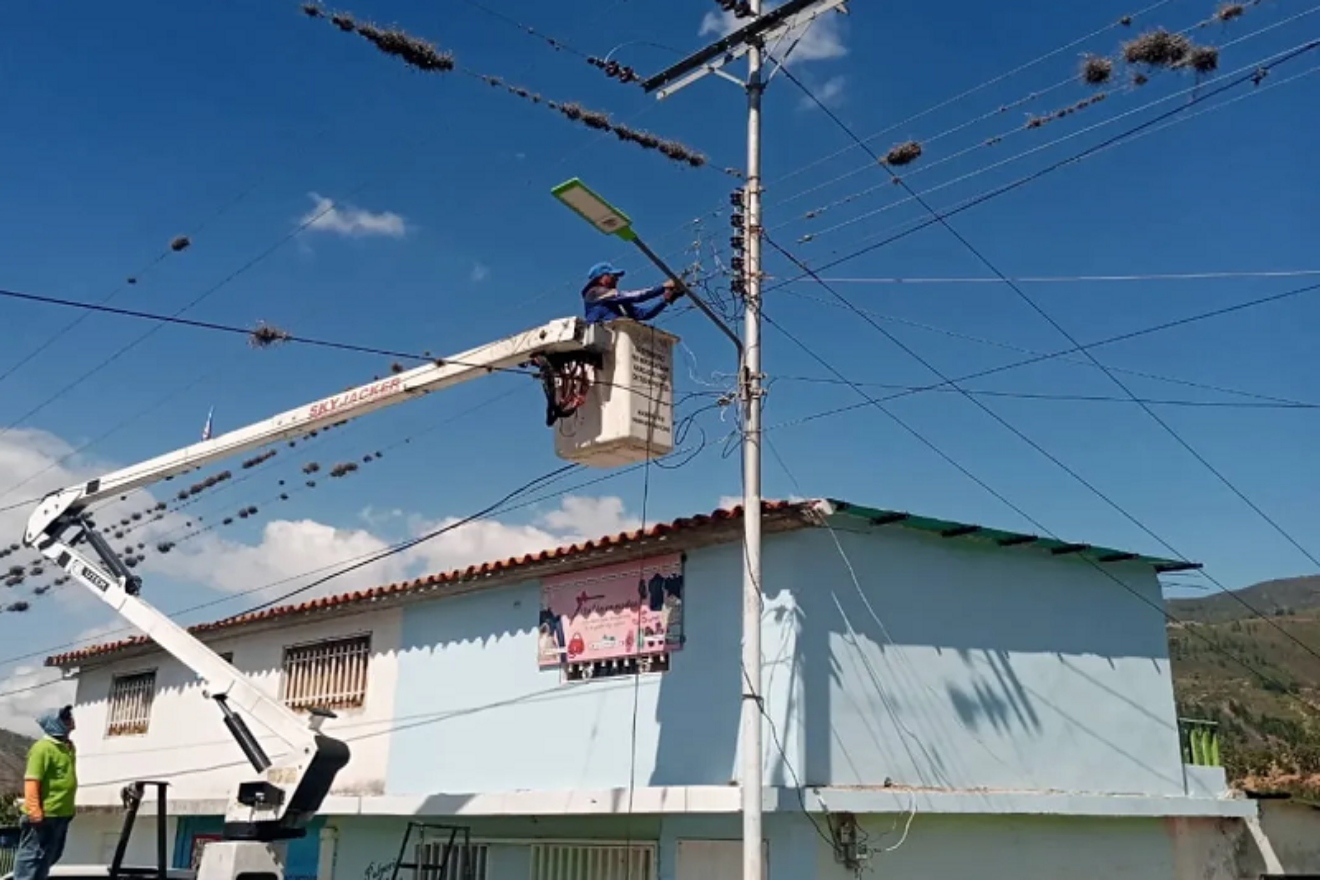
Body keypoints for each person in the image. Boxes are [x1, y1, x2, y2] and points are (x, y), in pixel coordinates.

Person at [15, 706, 77, 880]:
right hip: (44, 815)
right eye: (65, 717)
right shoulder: (42, 748)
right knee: (31, 859)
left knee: (49, 857)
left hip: (61, 814)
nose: (70, 719)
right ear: (54, 723)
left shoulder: (67, 748)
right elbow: (32, 780)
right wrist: (35, 811)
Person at [581, 262, 684, 324]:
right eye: (613, 276)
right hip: (599, 342)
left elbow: (642, 314)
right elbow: (636, 296)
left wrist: (665, 300)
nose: (617, 280)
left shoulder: (618, 302)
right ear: (601, 278)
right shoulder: (594, 293)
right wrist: (663, 287)